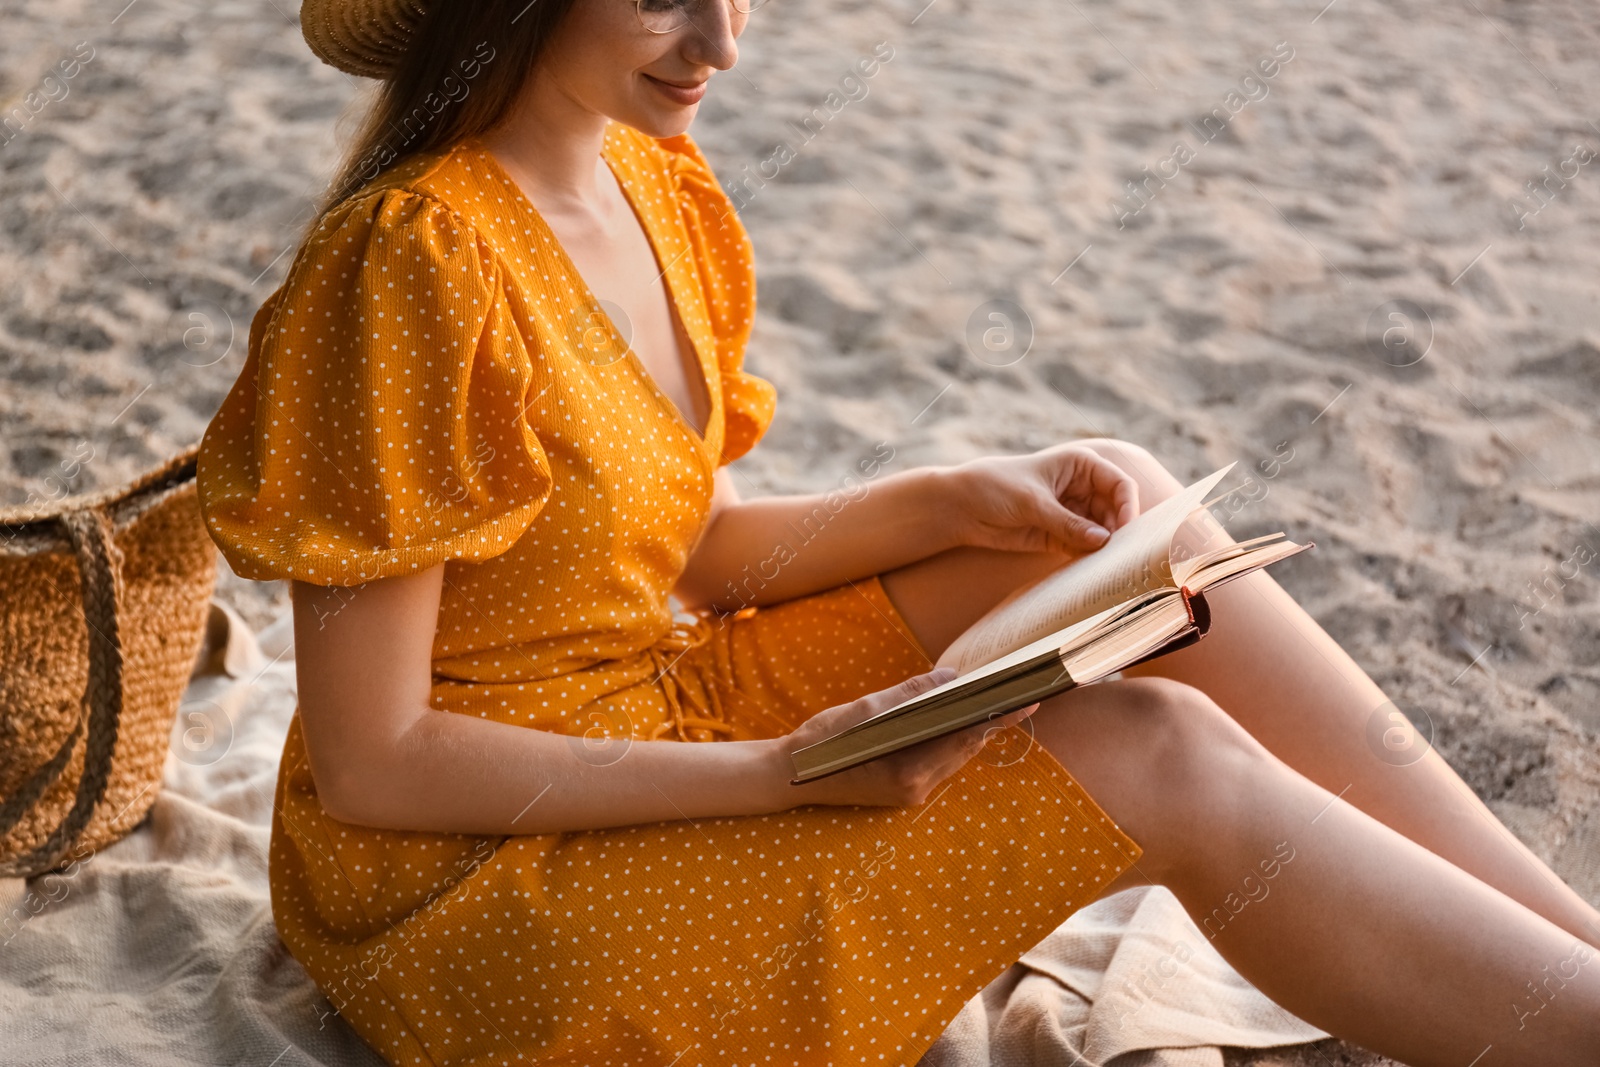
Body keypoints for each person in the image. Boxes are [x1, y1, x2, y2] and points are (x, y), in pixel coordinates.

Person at [195, 0, 1600, 1064]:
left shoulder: (649, 182)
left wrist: (955, 495)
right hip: (472, 886)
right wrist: (787, 777)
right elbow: (379, 766)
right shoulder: (411, 263)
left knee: (1129, 522)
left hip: (652, 708)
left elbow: (704, 554)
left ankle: (1577, 953)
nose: (721, 46)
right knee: (1150, 754)